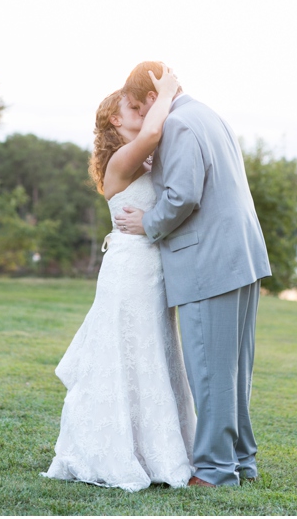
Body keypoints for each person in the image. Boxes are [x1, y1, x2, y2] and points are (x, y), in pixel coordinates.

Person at [114, 61, 271, 487]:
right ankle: (242, 461)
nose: (145, 119)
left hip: (210, 261)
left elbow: (183, 195)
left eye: (137, 107)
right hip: (241, 256)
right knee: (235, 369)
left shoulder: (180, 124)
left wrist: (146, 222)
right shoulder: (208, 114)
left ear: (151, 97)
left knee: (210, 370)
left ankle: (217, 471)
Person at [43, 66, 196, 492]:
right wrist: (166, 91)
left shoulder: (147, 159)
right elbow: (150, 133)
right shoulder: (120, 161)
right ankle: (118, 449)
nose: (144, 110)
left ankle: (159, 448)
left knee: (154, 353)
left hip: (153, 272)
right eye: (135, 105)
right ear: (116, 119)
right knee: (129, 353)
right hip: (129, 273)